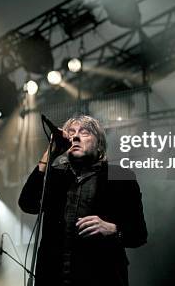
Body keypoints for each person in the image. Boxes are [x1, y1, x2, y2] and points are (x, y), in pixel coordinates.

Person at [19, 115, 147, 286]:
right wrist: (49, 155)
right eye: (71, 132)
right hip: (52, 277)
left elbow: (138, 235)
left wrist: (113, 229)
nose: (76, 136)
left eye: (84, 132)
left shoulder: (121, 177)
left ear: (99, 143)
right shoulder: (56, 175)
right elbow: (27, 203)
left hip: (102, 278)